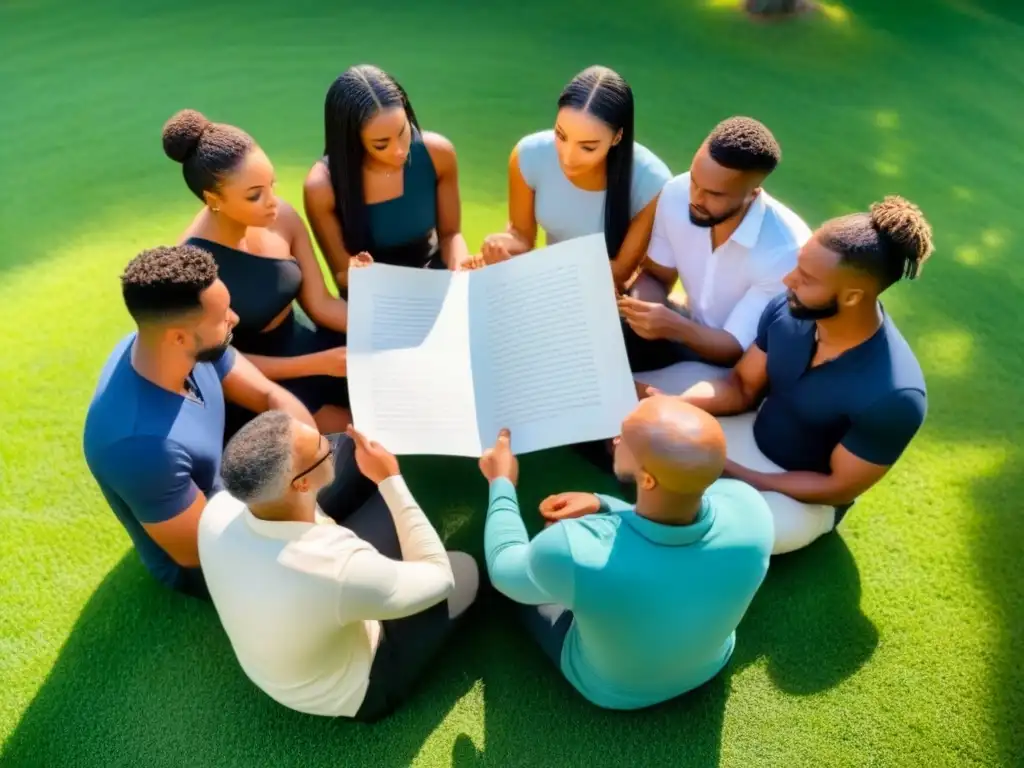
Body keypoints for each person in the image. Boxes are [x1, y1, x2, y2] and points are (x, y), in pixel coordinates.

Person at [661, 196, 933, 555]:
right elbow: (741, 387)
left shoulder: (896, 395)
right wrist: (669, 405)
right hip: (749, 429)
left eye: (806, 278)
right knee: (637, 409)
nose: (788, 280)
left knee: (720, 535)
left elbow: (838, 487)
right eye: (796, 267)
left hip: (800, 498)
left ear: (852, 296)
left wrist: (743, 476)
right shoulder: (789, 310)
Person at [479, 398, 773, 710]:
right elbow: (670, 523)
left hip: (614, 691)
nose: (615, 439)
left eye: (624, 437)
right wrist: (602, 504)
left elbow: (503, 567)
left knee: (522, 582)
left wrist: (501, 482)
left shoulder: (569, 550)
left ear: (647, 479)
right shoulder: (752, 509)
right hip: (710, 665)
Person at [198, 411, 479, 721]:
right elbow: (441, 578)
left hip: (295, 649)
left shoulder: (218, 511)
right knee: (467, 568)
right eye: (324, 449)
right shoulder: (332, 569)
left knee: (393, 520)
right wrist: (390, 480)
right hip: (363, 686)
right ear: (302, 484)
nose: (334, 446)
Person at [83, 245, 318, 598]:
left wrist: (311, 459)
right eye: (222, 316)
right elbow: (200, 552)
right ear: (178, 337)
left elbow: (270, 396)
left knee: (345, 468)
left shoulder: (178, 347)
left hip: (238, 490)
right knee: (343, 549)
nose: (234, 319)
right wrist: (303, 496)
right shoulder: (138, 447)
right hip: (215, 557)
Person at [163, 108, 354, 438]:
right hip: (255, 383)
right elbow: (216, 365)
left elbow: (320, 303)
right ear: (214, 199)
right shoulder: (193, 268)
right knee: (357, 434)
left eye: (272, 184)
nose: (272, 202)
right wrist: (319, 364)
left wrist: (382, 328)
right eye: (255, 195)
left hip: (311, 346)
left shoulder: (282, 216)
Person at [620, 116, 810, 375]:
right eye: (695, 182)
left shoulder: (784, 252)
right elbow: (655, 275)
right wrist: (644, 311)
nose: (695, 198)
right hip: (681, 327)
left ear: (753, 193)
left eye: (714, 194)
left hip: (737, 368)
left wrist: (671, 326)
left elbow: (734, 347)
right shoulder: (676, 193)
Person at [477, 65, 672, 292]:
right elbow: (523, 237)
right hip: (550, 281)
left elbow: (619, 272)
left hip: (603, 292)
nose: (568, 158)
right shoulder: (528, 155)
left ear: (618, 137)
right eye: (560, 135)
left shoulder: (652, 183)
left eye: (587, 147)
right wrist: (502, 247)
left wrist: (537, 274)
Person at [303, 64, 470, 290]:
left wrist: (462, 271)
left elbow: (451, 235)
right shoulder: (322, 186)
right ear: (352, 140)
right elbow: (342, 275)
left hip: (434, 278)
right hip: (374, 294)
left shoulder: (438, 154)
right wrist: (357, 271)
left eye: (403, 131)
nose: (400, 150)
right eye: (381, 145)